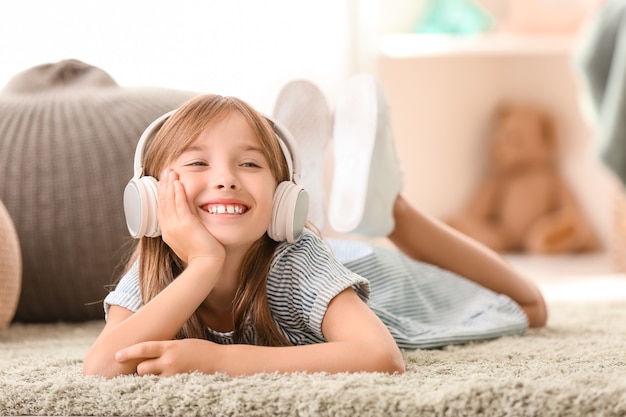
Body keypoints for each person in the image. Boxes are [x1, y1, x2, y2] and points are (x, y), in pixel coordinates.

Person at [83, 74, 547, 379]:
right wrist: (204, 265)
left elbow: (382, 358)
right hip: (329, 259)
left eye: (249, 163)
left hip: (373, 279)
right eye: (198, 163)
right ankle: (329, 203)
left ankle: (392, 208)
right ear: (149, 198)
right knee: (322, 242)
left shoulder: (297, 264)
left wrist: (223, 360)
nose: (225, 177)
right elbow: (101, 365)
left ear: (283, 199)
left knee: (531, 307)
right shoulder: (153, 266)